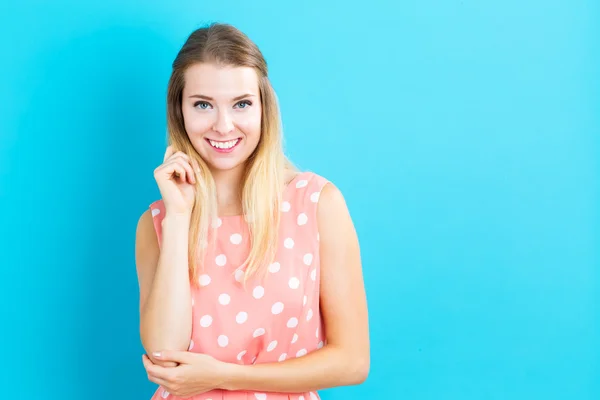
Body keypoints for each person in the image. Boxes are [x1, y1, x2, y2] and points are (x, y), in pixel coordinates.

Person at [135, 22, 369, 400]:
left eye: (241, 103)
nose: (223, 126)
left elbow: (352, 361)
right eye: (203, 105)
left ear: (263, 108)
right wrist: (179, 219)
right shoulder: (158, 223)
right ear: (180, 111)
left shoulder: (317, 203)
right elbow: (164, 354)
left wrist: (225, 376)